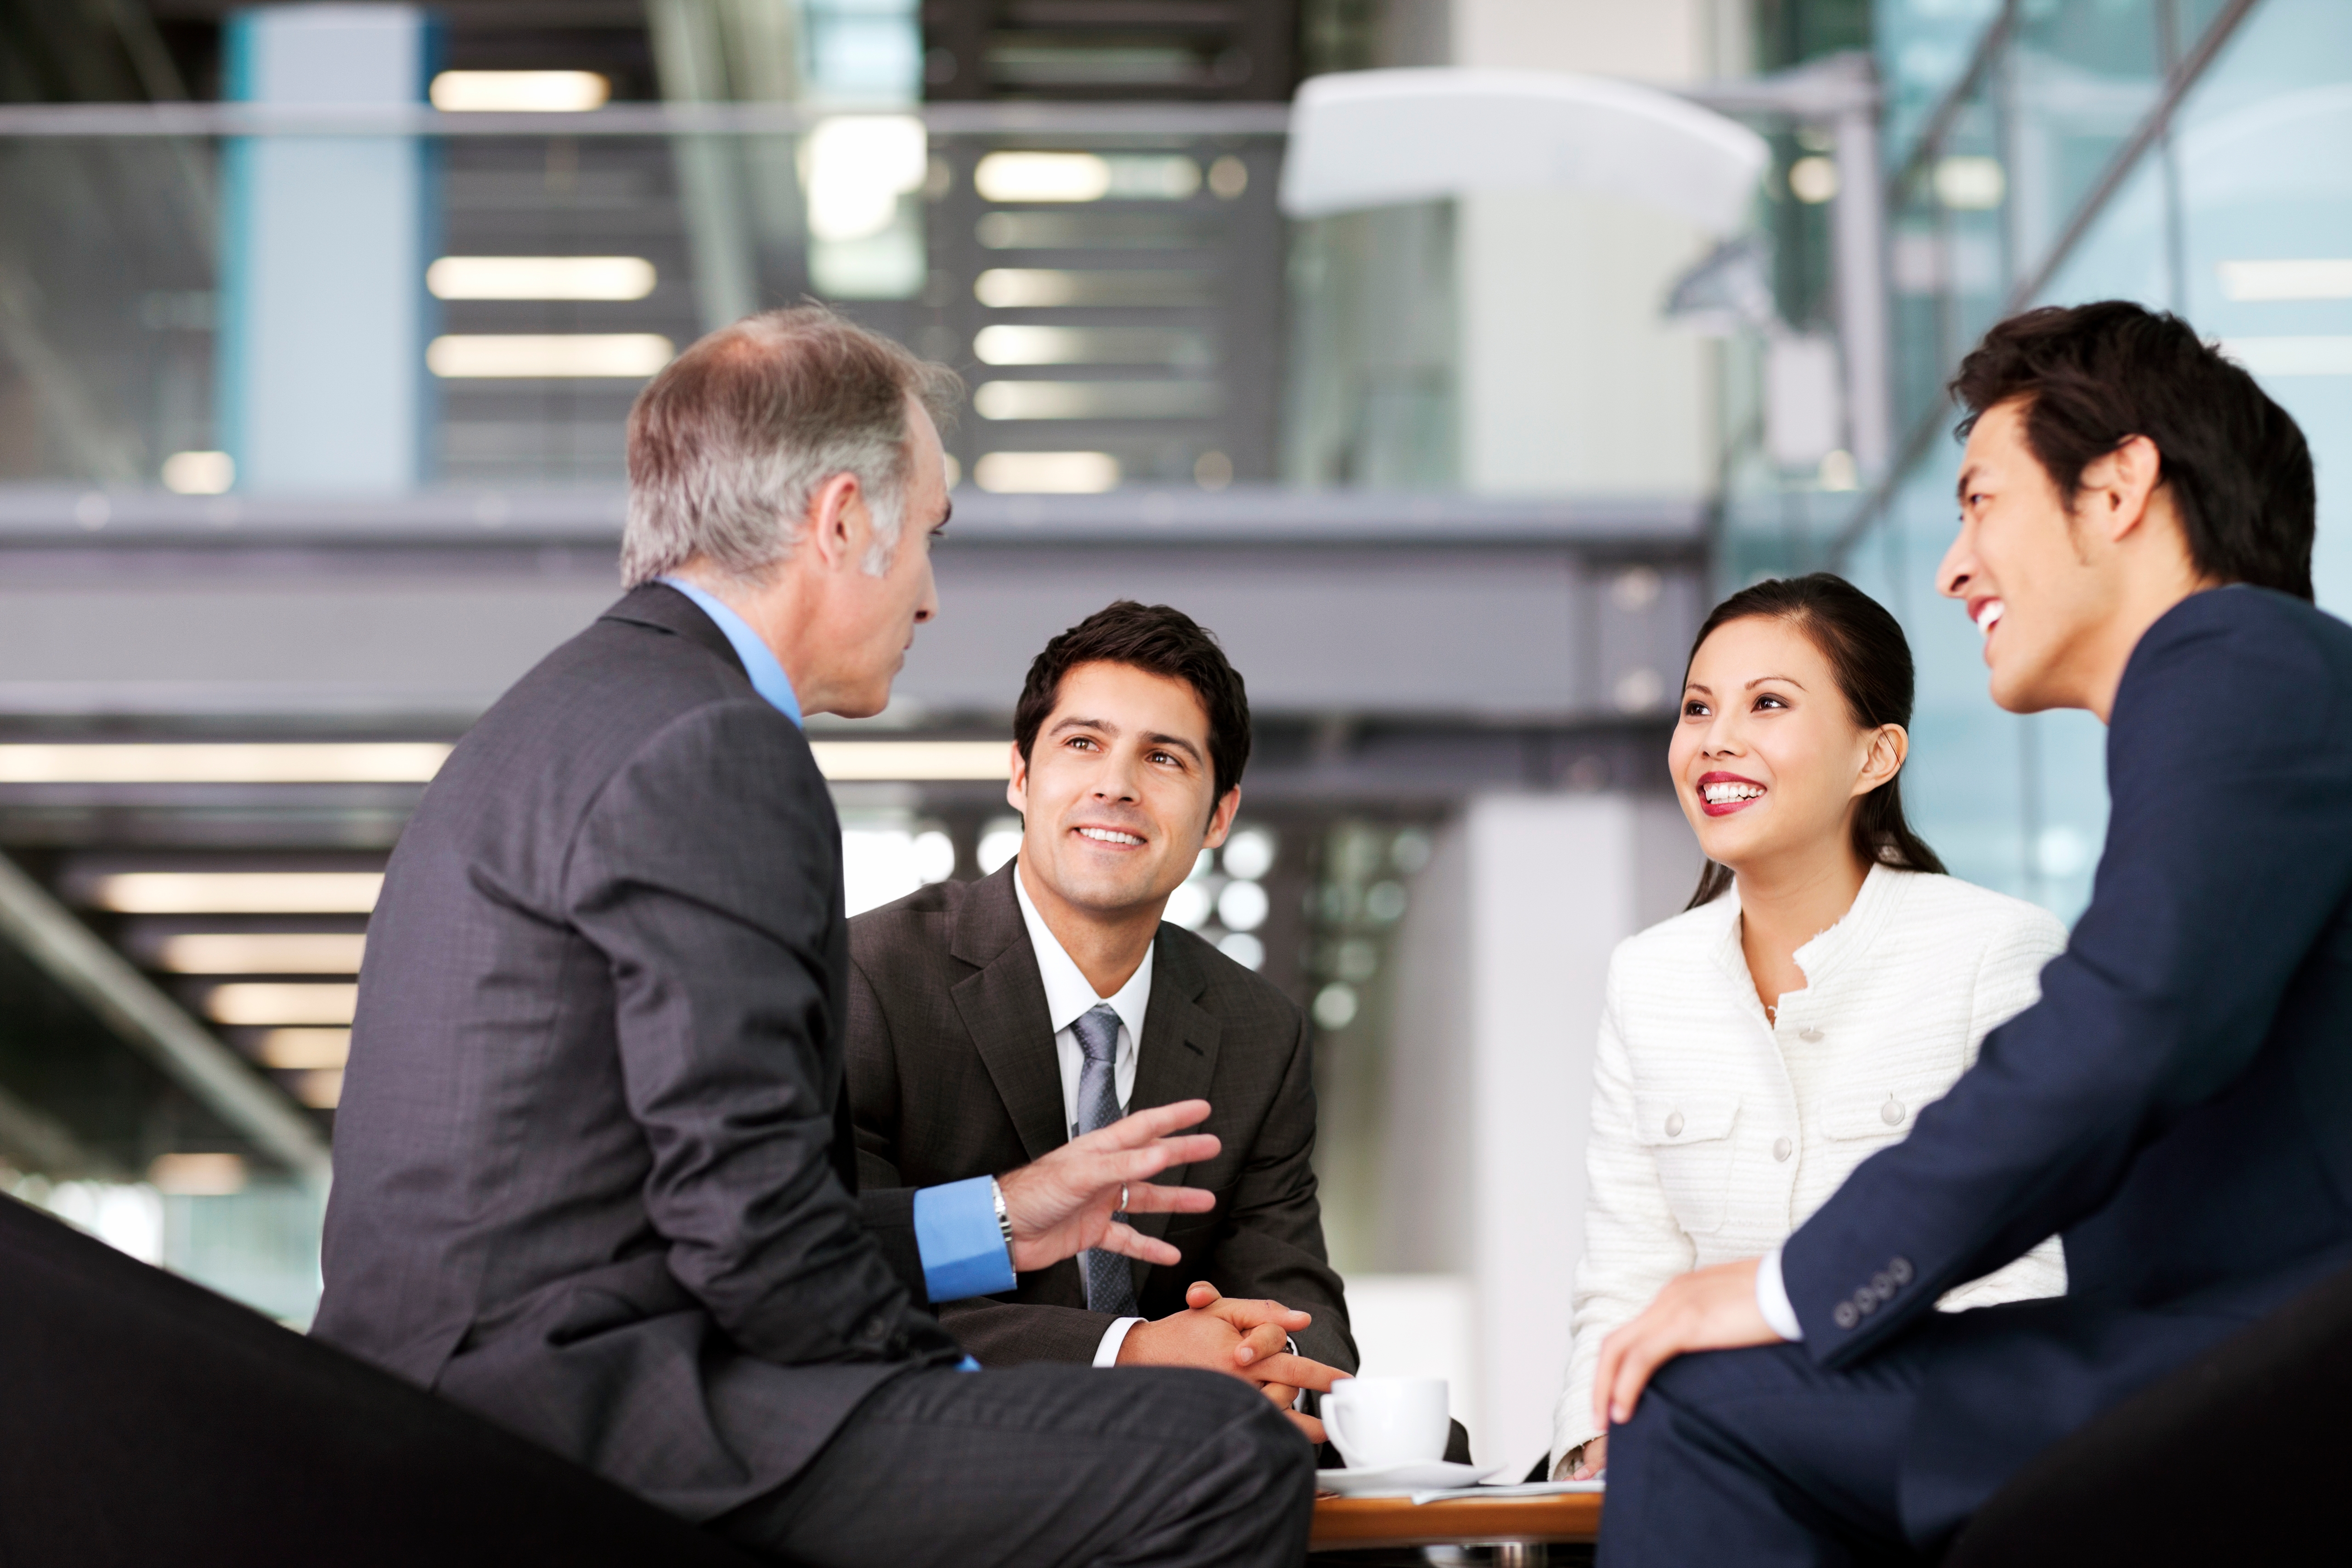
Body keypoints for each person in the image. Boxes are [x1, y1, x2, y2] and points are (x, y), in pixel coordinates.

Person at [311, 307, 1315, 1568]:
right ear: (843, 519)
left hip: (462, 1385)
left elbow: (723, 1201)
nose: (932, 598)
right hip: (577, 1410)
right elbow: (750, 1233)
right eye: (929, 537)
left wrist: (1005, 1216)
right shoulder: (716, 743)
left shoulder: (576, 708)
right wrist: (966, 1390)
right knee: (1220, 1457)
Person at [1588, 301, 2348, 1564]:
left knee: (1710, 1404)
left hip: (2273, 1345)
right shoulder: (2247, 693)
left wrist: (1789, 1283)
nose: (1951, 564)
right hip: (2219, 1339)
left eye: (1979, 500)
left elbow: (2129, 1021)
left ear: (2118, 488)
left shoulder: (2232, 659)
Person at [1550, 574, 2066, 1483]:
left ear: (1874, 757)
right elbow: (1625, 1274)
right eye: (1698, 707)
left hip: (1925, 1462)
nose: (1716, 741)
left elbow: (2014, 1281)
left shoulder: (1993, 949)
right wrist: (1592, 1451)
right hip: (1708, 1464)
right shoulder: (1648, 977)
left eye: (1768, 704)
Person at [848, 601, 1355, 1444]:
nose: (1115, 784)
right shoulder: (869, 979)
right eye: (1082, 743)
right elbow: (840, 1282)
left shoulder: (1256, 1029)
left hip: (1179, 1473)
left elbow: (1295, 1292)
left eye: (1163, 757)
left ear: (1219, 816)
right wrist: (1130, 1350)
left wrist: (1268, 1363)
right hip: (946, 1452)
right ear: (1020, 774)